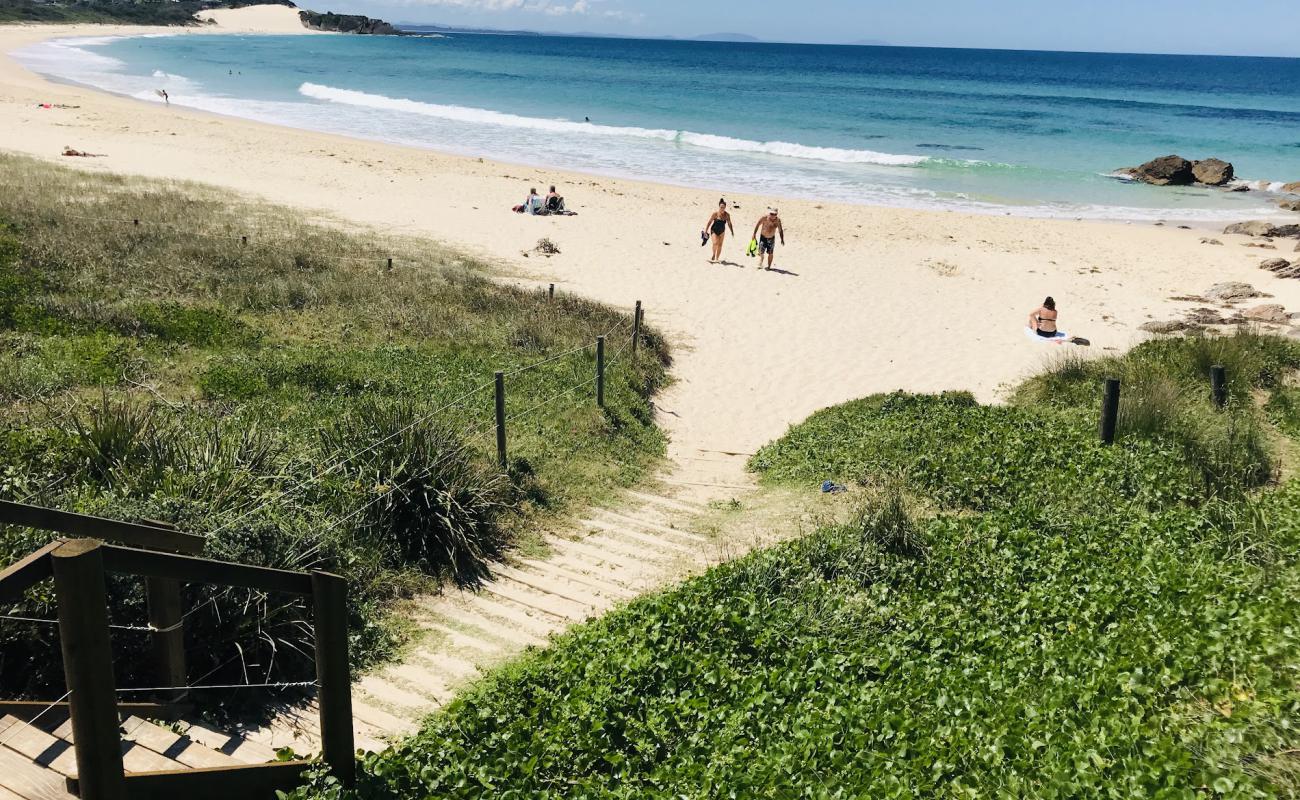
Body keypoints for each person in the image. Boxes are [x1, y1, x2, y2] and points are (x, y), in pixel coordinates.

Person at [703, 198, 734, 263]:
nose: (722, 208)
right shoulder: (715, 214)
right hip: (714, 230)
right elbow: (710, 222)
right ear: (719, 207)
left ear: (725, 207)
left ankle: (717, 258)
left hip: (722, 231)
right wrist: (706, 230)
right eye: (721, 207)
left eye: (723, 207)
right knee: (715, 243)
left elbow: (729, 223)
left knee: (720, 245)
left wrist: (732, 231)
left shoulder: (727, 215)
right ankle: (714, 254)